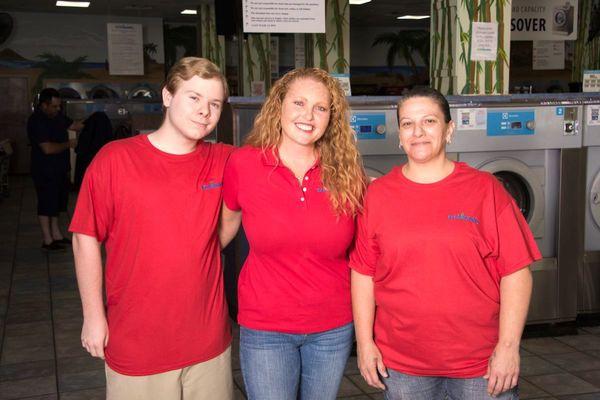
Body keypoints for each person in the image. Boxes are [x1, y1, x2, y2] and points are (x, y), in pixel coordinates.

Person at [350, 86, 540, 400]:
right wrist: (365, 343)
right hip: (403, 364)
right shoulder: (378, 195)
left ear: (449, 129)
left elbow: (516, 271)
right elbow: (362, 273)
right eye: (408, 124)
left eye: (429, 121)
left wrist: (508, 348)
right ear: (399, 135)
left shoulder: (485, 190)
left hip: (481, 363)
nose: (418, 132)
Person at [70, 57, 234, 400]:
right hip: (137, 343)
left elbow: (285, 167)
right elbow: (85, 237)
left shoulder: (225, 160)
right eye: (194, 97)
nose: (204, 111)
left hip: (208, 342)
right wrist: (93, 317)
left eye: (214, 103)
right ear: (167, 96)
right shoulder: (115, 159)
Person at [219, 67, 367, 400]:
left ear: (331, 117)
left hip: (332, 326)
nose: (308, 115)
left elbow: (364, 252)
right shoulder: (244, 164)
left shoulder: (347, 171)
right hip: (266, 324)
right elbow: (224, 228)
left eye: (320, 107)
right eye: (299, 103)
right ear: (279, 106)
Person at [27, 88, 82, 251]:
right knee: (46, 203)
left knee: (57, 202)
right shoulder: (36, 121)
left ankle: (56, 235)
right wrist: (69, 145)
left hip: (59, 168)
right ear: (44, 105)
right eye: (54, 106)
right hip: (43, 169)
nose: (58, 109)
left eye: (59, 106)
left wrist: (95, 118)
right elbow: (47, 149)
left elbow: (74, 125)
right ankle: (47, 239)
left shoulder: (57, 117)